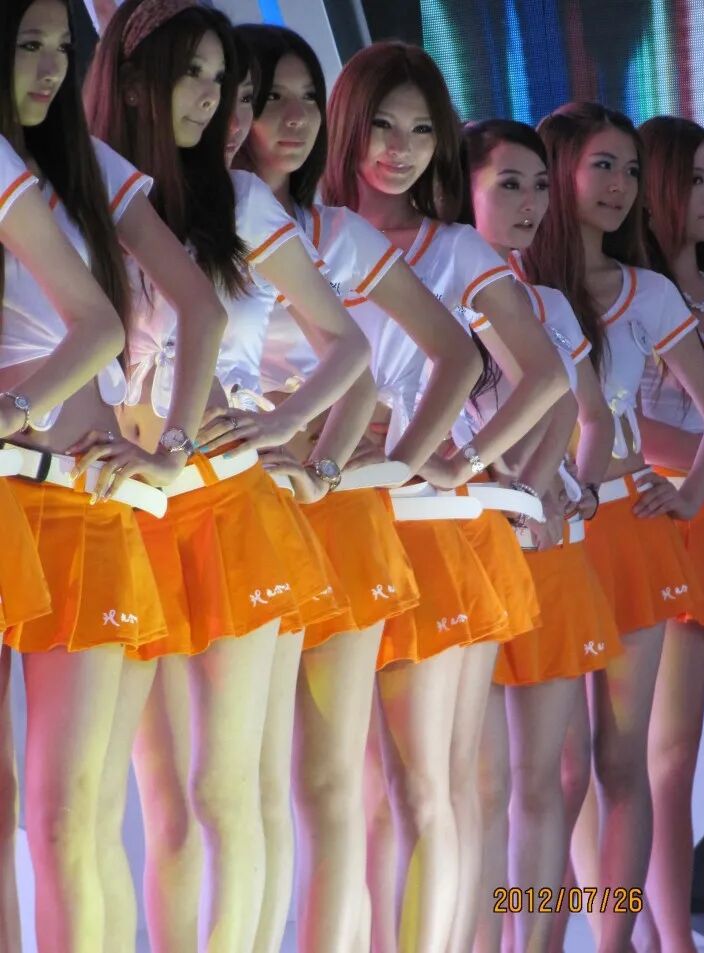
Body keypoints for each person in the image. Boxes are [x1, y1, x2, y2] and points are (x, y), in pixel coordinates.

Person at [85, 4, 371, 950]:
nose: (211, 99)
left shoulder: (242, 201)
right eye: (192, 74)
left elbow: (347, 345)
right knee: (163, 795)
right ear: (133, 82)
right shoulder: (86, 193)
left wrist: (281, 426)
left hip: (228, 501)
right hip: (129, 503)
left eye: (221, 80)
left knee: (227, 786)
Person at [238, 24, 493, 953]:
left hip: (336, 512)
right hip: (232, 508)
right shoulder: (198, 217)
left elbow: (453, 357)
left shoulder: (336, 234)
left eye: (307, 98)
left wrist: (365, 459)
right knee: (242, 782)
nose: (293, 119)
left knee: (336, 782)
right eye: (270, 99)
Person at [325, 42, 570, 953]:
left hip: (430, 528)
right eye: (383, 125)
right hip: (335, 515)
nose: (400, 149)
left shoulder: (454, 247)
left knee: (432, 785)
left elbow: (545, 375)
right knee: (359, 789)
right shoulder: (307, 230)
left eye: (422, 130)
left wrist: (453, 459)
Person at [1, 1, 229, 949]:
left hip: (79, 499)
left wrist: (172, 447)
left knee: (71, 814)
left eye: (62, 47)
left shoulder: (87, 167)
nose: (50, 67)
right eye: (29, 45)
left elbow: (192, 310)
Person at [522, 101, 704, 952]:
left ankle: (616, 941)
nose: (619, 186)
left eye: (629, 170)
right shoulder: (512, 286)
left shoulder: (647, 291)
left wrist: (687, 496)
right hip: (542, 540)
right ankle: (547, 929)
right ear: (560, 171)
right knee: (555, 772)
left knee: (623, 764)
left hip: (630, 535)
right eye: (601, 167)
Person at [459, 118, 620, 953]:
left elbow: (585, 409)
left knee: (542, 781)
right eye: (508, 184)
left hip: (549, 556)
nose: (530, 203)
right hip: (464, 552)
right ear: (464, 188)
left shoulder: (550, 302)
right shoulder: (431, 285)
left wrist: (573, 487)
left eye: (539, 185)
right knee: (478, 783)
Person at [637, 115, 704, 953]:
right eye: (694, 179)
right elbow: (623, 423)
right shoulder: (631, 293)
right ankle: (669, 939)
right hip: (671, 525)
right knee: (664, 762)